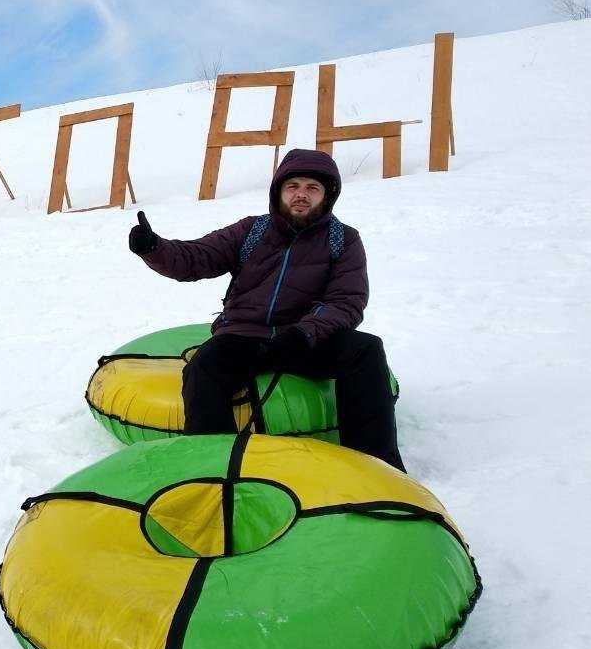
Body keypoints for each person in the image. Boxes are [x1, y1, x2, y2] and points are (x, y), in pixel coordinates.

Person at [127, 148, 405, 471]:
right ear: (279, 192)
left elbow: (346, 301)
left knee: (366, 350)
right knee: (203, 369)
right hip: (245, 335)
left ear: (327, 195)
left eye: (312, 188)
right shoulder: (252, 231)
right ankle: (213, 473)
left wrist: (305, 332)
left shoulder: (342, 240)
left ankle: (378, 469)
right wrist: (154, 248)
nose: (301, 195)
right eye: (293, 186)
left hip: (304, 340)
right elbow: (196, 257)